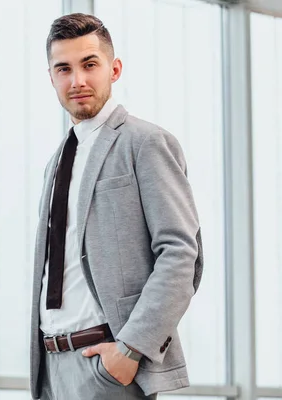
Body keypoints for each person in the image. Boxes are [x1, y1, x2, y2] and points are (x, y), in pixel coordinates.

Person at [29, 13, 204, 400]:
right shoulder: (57, 161)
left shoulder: (145, 143)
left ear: (115, 68)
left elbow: (180, 254)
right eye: (64, 68)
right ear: (51, 77)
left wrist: (130, 351)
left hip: (109, 366)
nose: (77, 81)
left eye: (89, 65)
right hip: (51, 368)